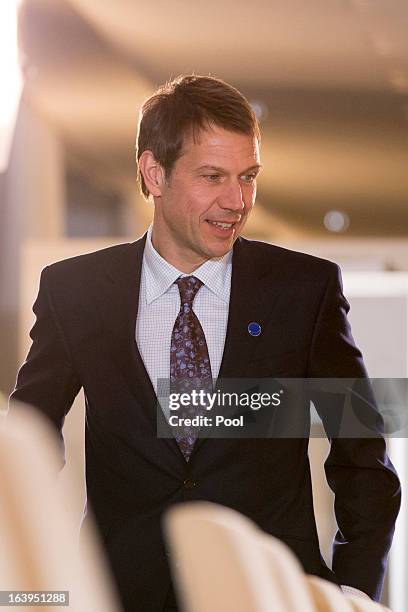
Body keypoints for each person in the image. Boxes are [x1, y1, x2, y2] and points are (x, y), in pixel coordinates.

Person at [10, 75, 400, 612]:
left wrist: (353, 594)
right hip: (120, 593)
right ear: (154, 173)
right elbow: (29, 436)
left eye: (248, 177)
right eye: (213, 176)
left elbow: (363, 458)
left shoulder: (303, 290)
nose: (236, 201)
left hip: (268, 596)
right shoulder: (74, 291)